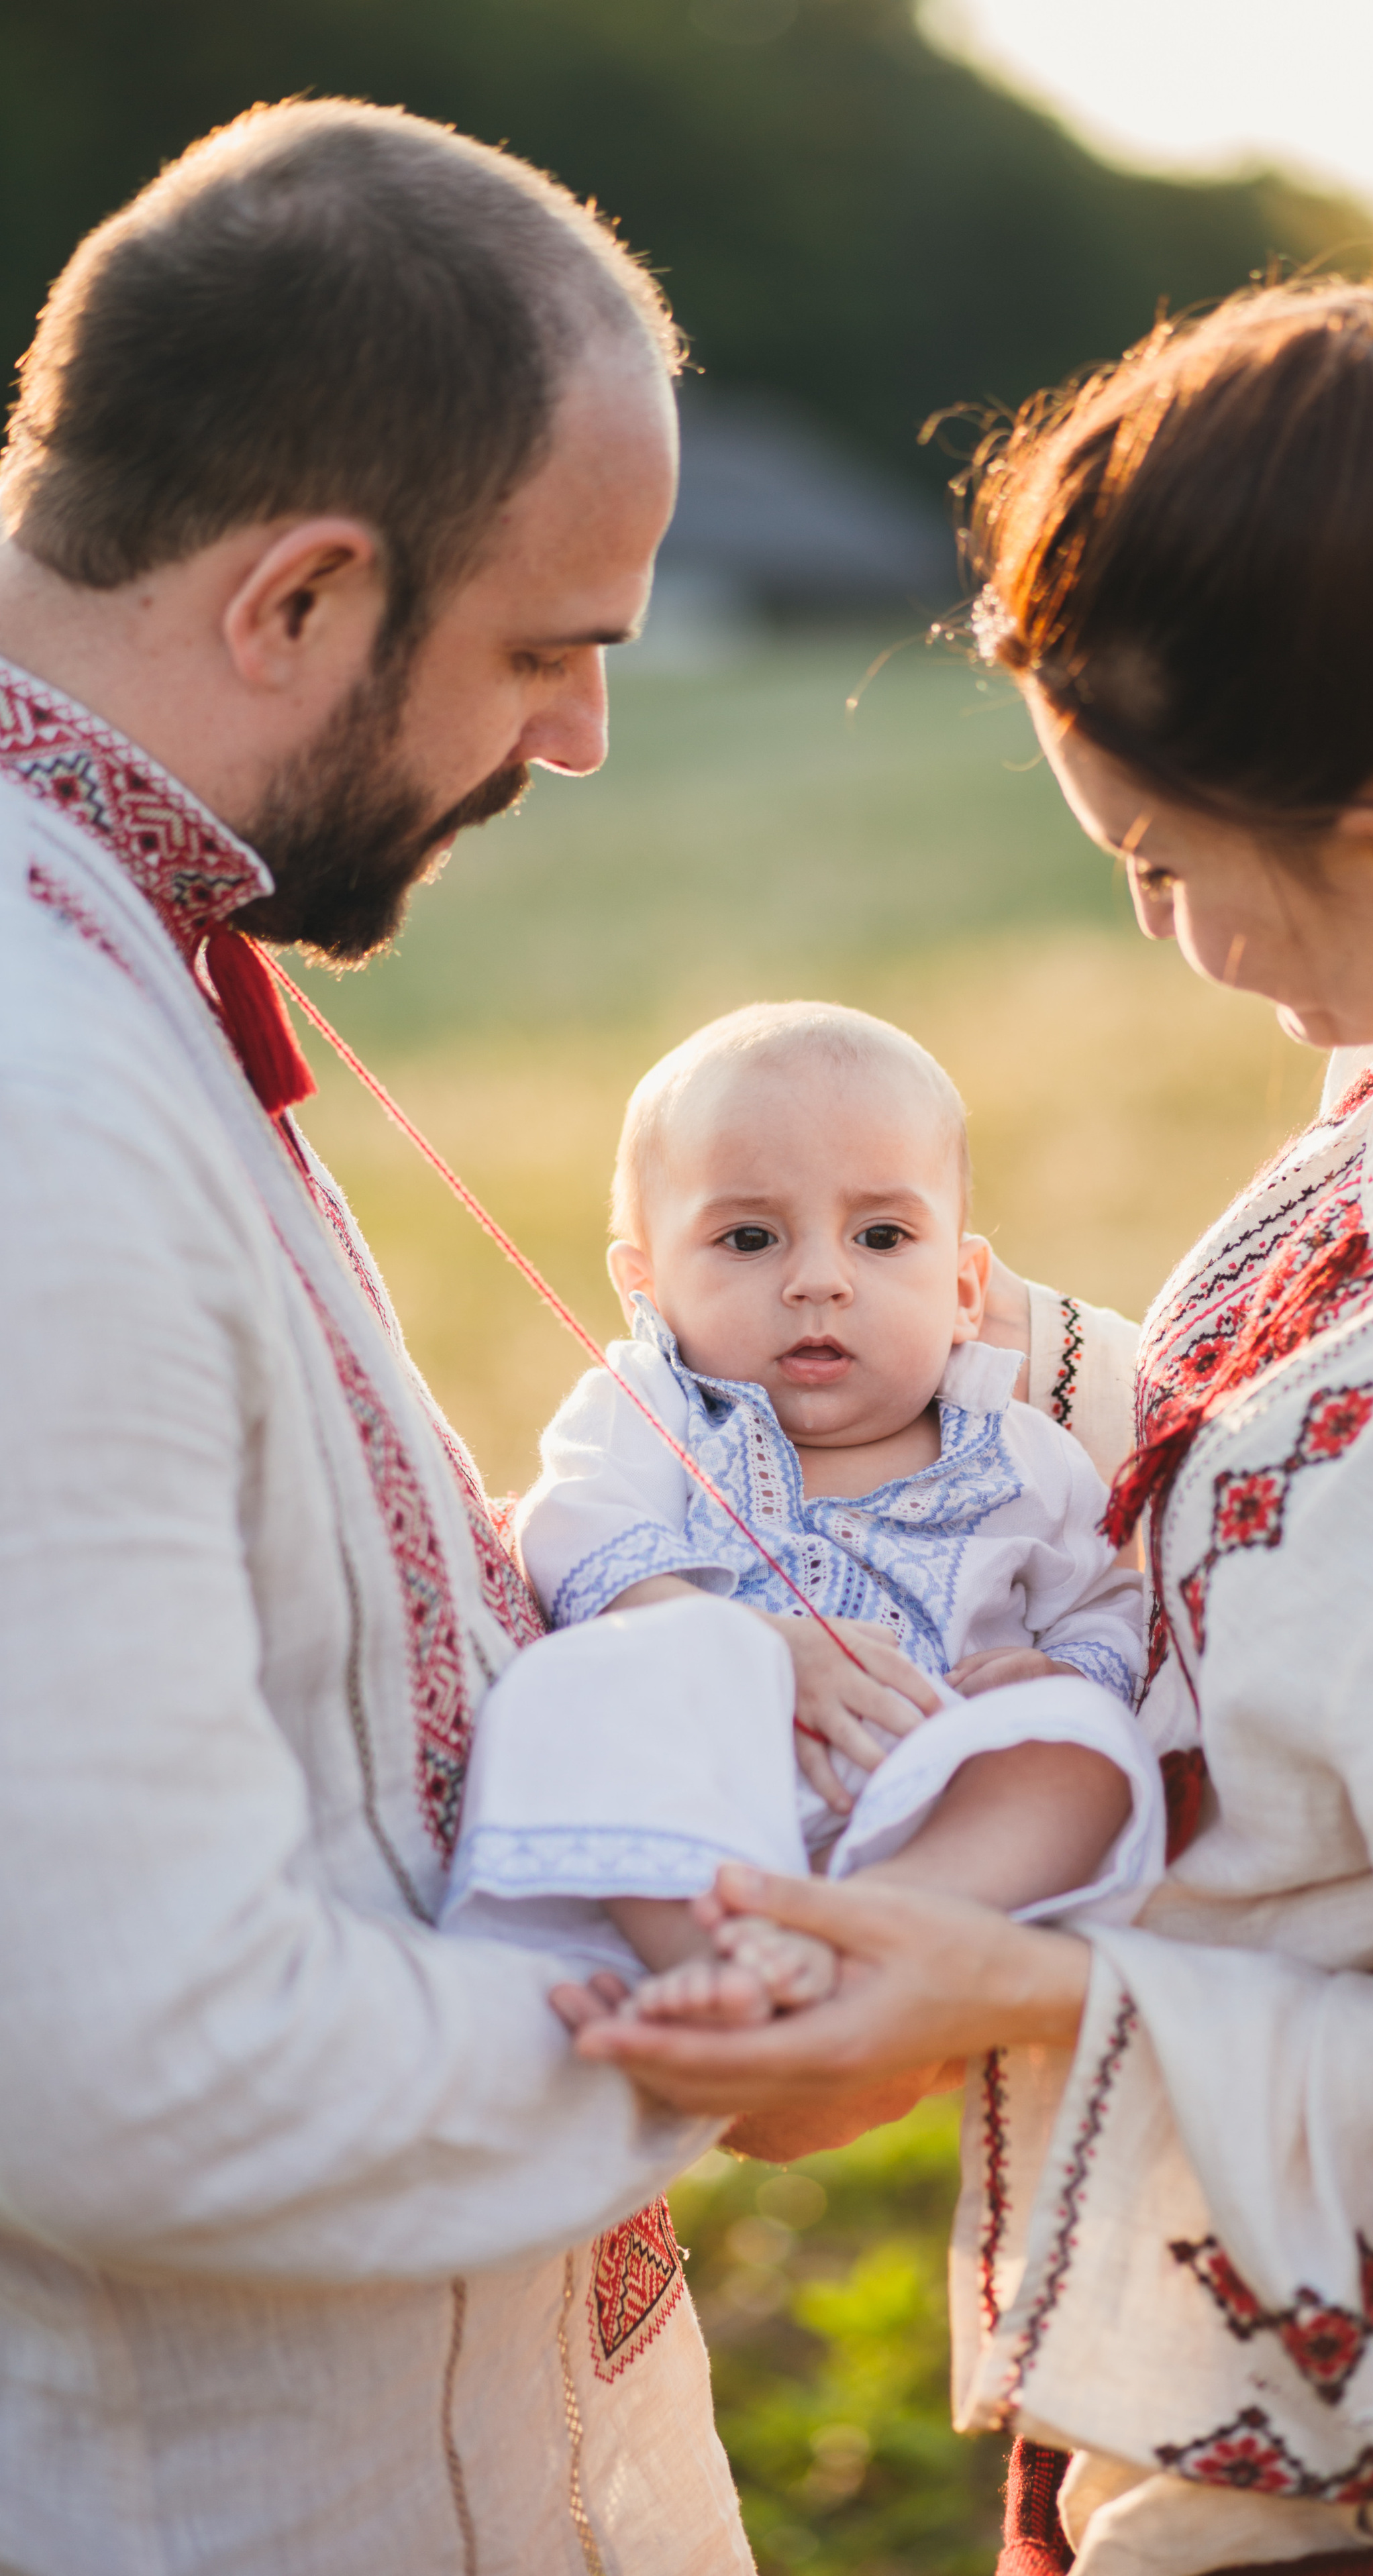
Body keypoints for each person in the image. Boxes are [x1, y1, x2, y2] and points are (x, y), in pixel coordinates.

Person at [568, 287, 1373, 2575]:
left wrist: (1010, 1989)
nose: (1155, 925)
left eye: (1161, 864)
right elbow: (1285, 1476)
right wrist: (858, 1357)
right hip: (1170, 2359)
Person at [0, 97, 767, 2576]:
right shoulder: (34, 1090)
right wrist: (729, 2029)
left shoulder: (119, 941)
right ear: (302, 598)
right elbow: (141, 2073)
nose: (579, 737)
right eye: (548, 648)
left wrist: (645, 1631)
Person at [440, 1000, 1158, 2021]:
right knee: (574, 1685)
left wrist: (1065, 1669)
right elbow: (577, 1527)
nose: (818, 1281)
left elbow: (1107, 1602)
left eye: (881, 1235)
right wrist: (747, 1646)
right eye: (747, 1238)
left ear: (963, 1289)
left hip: (929, 1794)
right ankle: (713, 1951)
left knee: (1082, 1748)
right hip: (695, 1797)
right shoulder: (652, 1408)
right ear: (645, 1288)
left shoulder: (1025, 1459)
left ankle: (877, 1923)